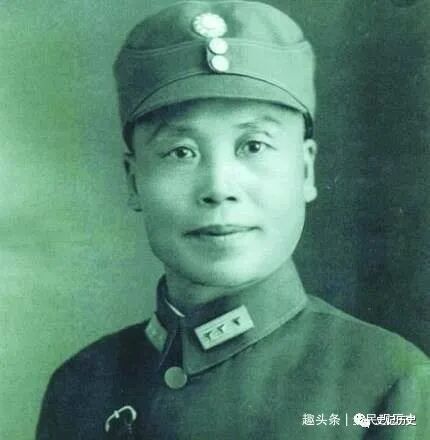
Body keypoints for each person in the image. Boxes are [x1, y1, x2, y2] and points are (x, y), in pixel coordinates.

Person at [36, 1, 429, 439]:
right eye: (181, 152)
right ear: (134, 181)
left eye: (254, 146)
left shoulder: (388, 383)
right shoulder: (81, 387)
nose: (219, 187)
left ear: (305, 170)